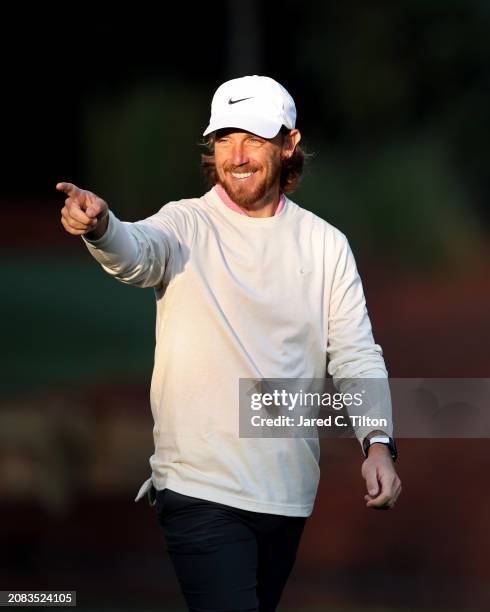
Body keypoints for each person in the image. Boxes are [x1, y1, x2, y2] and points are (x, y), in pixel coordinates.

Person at [57, 75, 402, 612]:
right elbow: (137, 251)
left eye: (254, 138)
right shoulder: (185, 223)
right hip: (199, 490)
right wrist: (101, 227)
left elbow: (355, 351)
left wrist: (377, 443)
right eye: (223, 138)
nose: (236, 155)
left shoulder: (327, 245)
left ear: (289, 144)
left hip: (287, 494)